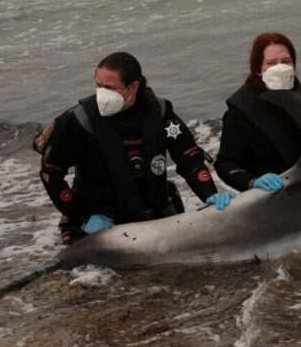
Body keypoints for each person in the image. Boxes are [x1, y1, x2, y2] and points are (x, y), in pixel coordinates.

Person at [35, 52, 235, 244]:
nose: (102, 93)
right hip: (101, 216)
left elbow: (188, 156)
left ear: (133, 87)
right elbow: (50, 172)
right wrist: (81, 217)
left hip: (153, 211)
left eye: (110, 88)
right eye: (98, 85)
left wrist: (208, 192)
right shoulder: (78, 120)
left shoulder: (161, 112)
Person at [214, 33, 301, 192]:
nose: (280, 67)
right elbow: (225, 163)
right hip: (270, 194)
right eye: (271, 63)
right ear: (258, 68)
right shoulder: (241, 111)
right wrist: (251, 181)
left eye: (286, 61)